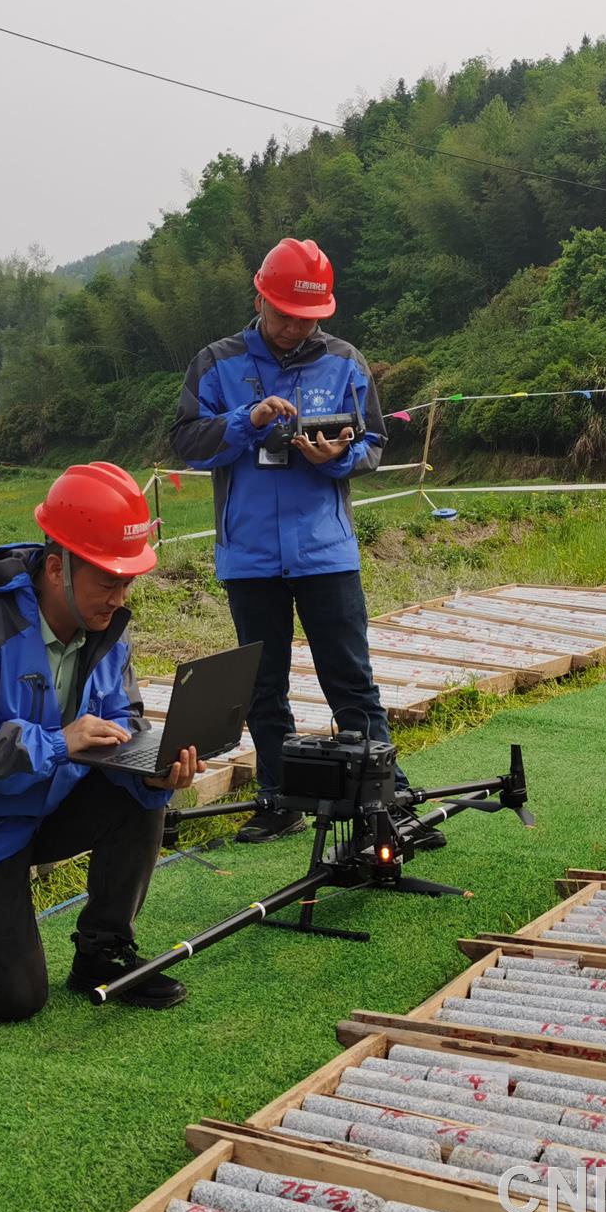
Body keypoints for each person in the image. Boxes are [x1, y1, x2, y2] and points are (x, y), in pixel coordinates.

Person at [0, 462, 204, 1021]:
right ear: (58, 568)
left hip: (47, 805)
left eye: (128, 580)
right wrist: (59, 742)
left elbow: (124, 716)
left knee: (141, 793)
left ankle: (102, 953)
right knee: (11, 999)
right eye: (108, 580)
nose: (119, 595)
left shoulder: (107, 629)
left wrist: (151, 765)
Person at [169, 236, 392, 842]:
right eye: (285, 314)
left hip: (326, 552)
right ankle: (278, 799)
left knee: (350, 678)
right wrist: (248, 421)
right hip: (249, 557)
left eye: (309, 317)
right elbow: (187, 444)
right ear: (260, 297)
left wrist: (337, 459)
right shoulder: (216, 363)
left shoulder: (346, 361)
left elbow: (374, 443)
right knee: (262, 688)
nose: (296, 327)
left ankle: (381, 804)